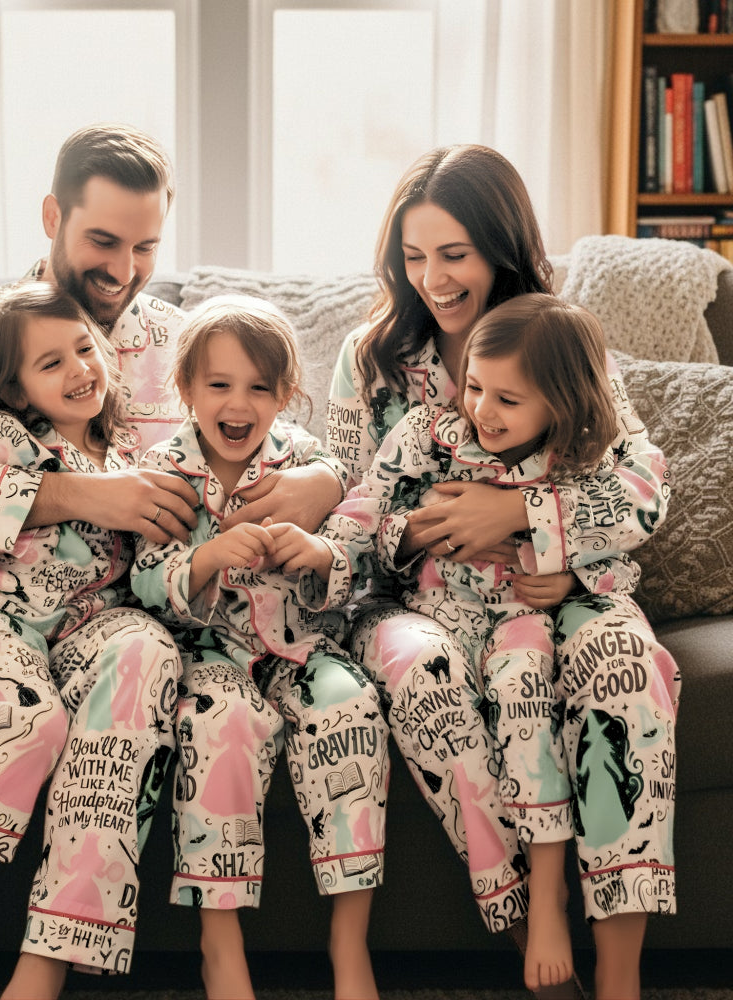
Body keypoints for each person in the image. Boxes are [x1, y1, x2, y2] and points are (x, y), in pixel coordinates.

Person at [0, 122, 345, 1000]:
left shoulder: (179, 343)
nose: (124, 269)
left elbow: (287, 428)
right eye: (102, 240)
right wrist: (81, 495)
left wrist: (321, 481)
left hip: (109, 604)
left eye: (145, 246)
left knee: (144, 657)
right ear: (53, 214)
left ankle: (47, 965)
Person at [327, 144, 679, 1000]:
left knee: (626, 672)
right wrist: (431, 533)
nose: (433, 280)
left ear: (501, 247)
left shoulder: (552, 339)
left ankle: (621, 978)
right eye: (414, 257)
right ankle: (534, 941)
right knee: (429, 678)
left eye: (454, 255)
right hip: (420, 602)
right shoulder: (370, 362)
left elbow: (640, 482)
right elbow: (348, 510)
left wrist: (527, 520)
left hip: (561, 592)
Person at [130, 295, 389, 1000]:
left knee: (352, 709)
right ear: (185, 391)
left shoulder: (307, 463)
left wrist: (315, 553)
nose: (238, 403)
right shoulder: (164, 472)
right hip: (212, 658)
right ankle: (221, 944)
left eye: (259, 388)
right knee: (222, 727)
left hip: (306, 650)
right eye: (219, 385)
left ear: (285, 396)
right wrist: (208, 558)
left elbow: (357, 561)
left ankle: (349, 939)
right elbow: (143, 582)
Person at [0, 282, 143, 985]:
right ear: (12, 389)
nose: (79, 369)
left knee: (106, 693)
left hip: (67, 630)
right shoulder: (3, 438)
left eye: (84, 348)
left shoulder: (120, 453)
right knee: (37, 724)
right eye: (52, 364)